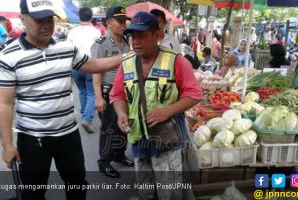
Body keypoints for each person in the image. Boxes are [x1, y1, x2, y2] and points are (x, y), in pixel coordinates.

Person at [0, 0, 124, 199]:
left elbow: (95, 64)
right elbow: (3, 104)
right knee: (33, 192)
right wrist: (7, 146)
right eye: (39, 20)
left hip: (68, 134)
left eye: (50, 19)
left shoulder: (66, 47)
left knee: (77, 184)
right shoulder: (8, 56)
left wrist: (128, 57)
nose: (46, 24)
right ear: (23, 19)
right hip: (32, 139)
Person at [110, 12, 203, 199]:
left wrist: (167, 111)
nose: (135, 42)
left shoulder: (176, 61)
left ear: (157, 35)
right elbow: (117, 94)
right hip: (138, 138)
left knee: (169, 192)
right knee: (145, 190)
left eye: (141, 36)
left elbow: (194, 94)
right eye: (132, 37)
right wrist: (121, 112)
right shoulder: (127, 63)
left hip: (166, 139)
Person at [91, 5, 133, 178]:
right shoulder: (101, 44)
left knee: (123, 125)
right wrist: (99, 97)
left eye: (124, 21)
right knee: (109, 128)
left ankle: (119, 154)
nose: (123, 24)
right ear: (108, 22)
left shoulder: (124, 41)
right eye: (119, 21)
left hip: (123, 93)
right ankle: (104, 161)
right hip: (107, 92)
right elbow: (96, 71)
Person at [67, 7, 101, 133]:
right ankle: (87, 118)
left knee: (82, 91)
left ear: (79, 16)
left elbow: (68, 49)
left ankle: (85, 113)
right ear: (91, 17)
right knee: (92, 93)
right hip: (91, 65)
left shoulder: (72, 32)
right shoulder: (96, 32)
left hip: (75, 66)